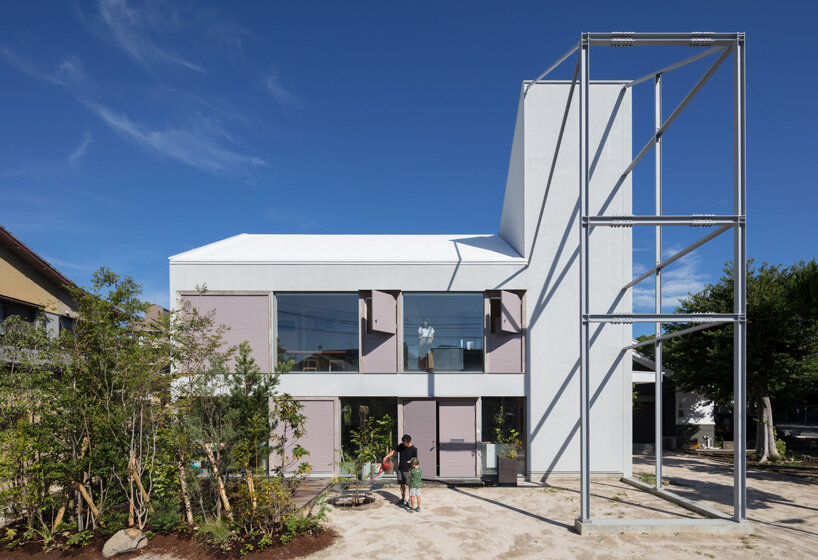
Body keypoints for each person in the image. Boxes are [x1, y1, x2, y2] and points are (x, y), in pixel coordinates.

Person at [382, 434, 417, 507]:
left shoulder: (414, 449)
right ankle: (403, 498)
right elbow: (394, 451)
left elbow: (415, 461)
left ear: (409, 442)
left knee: (410, 485)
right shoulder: (401, 445)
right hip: (401, 468)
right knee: (402, 484)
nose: (404, 444)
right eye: (403, 443)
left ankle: (410, 500)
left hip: (409, 470)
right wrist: (386, 457)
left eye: (405, 443)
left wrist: (413, 470)